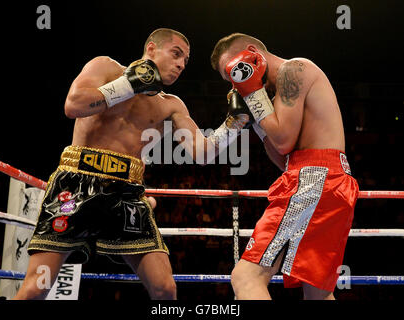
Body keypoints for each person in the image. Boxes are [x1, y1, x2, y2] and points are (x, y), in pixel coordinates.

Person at [14, 28, 251, 300]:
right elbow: (73, 105)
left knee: (165, 289)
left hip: (126, 196)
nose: (180, 65)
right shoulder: (105, 67)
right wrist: (127, 85)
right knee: (37, 286)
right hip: (76, 184)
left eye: (185, 61)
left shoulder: (171, 105)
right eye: (175, 54)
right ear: (151, 48)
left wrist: (235, 122)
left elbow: (202, 152)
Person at [210, 33, 359, 300]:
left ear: (252, 53)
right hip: (324, 180)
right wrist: (255, 118)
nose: (235, 82)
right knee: (317, 292)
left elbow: (282, 140)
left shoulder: (294, 69)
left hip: (315, 177)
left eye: (234, 71)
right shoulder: (274, 94)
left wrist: (253, 94)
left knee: (246, 276)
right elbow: (283, 158)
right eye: (229, 79)